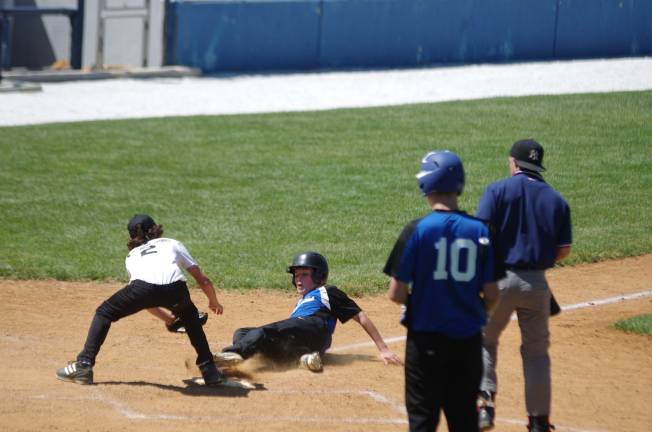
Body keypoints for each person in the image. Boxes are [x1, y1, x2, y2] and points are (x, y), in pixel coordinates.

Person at [384, 150, 499, 432]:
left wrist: (423, 304)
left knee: (423, 422)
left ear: (427, 184)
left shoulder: (416, 230)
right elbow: (493, 295)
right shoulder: (481, 231)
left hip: (425, 344)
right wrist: (471, 310)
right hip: (467, 342)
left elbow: (396, 293)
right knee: (463, 421)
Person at [56, 214, 225, 386]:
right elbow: (202, 279)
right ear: (155, 229)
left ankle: (83, 365)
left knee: (104, 312)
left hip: (141, 290)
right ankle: (209, 370)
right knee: (190, 316)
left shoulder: (132, 256)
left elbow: (145, 299)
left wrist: (168, 320)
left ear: (132, 237)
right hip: (176, 290)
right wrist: (214, 302)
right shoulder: (171, 243)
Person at [475, 139, 572, 432]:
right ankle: (539, 422)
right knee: (536, 353)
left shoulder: (497, 190)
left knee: (484, 340)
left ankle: (484, 408)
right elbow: (563, 249)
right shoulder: (556, 199)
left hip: (498, 283)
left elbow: (480, 237)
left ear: (513, 163)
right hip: (537, 286)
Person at [213, 251, 402, 372]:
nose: (298, 280)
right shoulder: (300, 302)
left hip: (313, 328)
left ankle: (230, 355)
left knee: (262, 333)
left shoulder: (327, 292)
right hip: (301, 339)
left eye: (304, 274)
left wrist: (383, 349)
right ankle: (301, 359)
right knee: (242, 333)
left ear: (318, 276)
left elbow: (360, 316)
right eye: (296, 276)